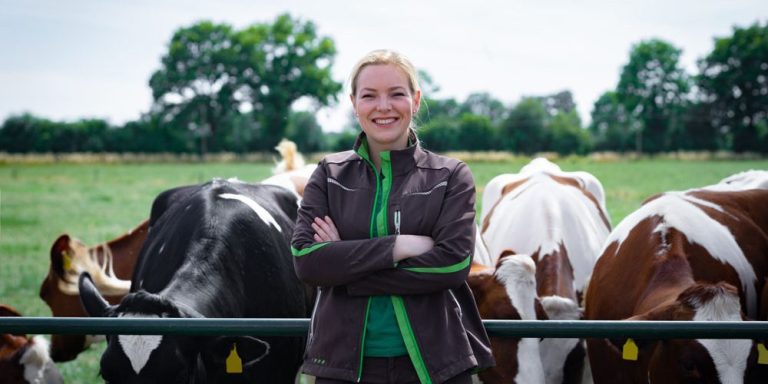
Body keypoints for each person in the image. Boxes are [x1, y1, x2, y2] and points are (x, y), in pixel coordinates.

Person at [291, 49, 494, 384]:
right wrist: (398, 247)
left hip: (435, 366)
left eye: (396, 94)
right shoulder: (330, 174)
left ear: (415, 101)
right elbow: (306, 262)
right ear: (354, 104)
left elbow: (451, 266)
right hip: (342, 366)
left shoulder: (450, 175)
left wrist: (344, 267)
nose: (383, 106)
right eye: (369, 96)